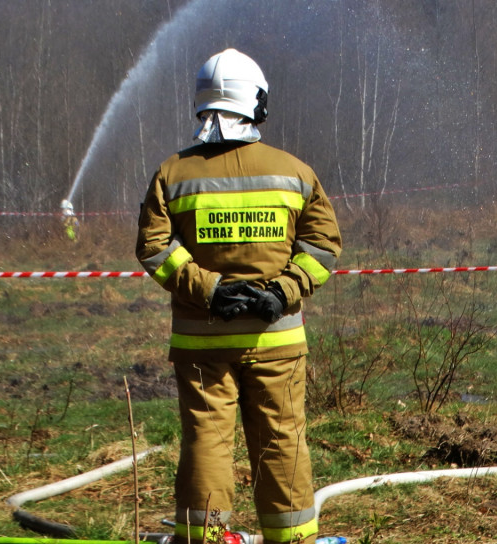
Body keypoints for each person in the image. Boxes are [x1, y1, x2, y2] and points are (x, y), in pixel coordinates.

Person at [135, 48, 342, 544]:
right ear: (257, 103)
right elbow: (322, 246)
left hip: (201, 342)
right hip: (277, 339)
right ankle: (292, 540)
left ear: (201, 104)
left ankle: (204, 539)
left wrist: (210, 290)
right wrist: (282, 291)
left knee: (206, 440)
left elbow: (155, 247)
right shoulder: (294, 172)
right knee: (282, 442)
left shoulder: (172, 174)